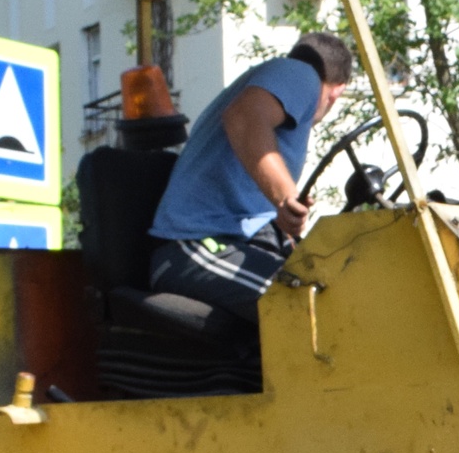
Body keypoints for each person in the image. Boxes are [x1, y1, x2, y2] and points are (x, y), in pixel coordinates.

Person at [145, 31, 355, 325]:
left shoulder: (271, 84)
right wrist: (286, 197)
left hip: (232, 245)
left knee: (340, 288)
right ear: (337, 91)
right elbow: (243, 117)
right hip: (194, 245)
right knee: (310, 304)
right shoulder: (301, 74)